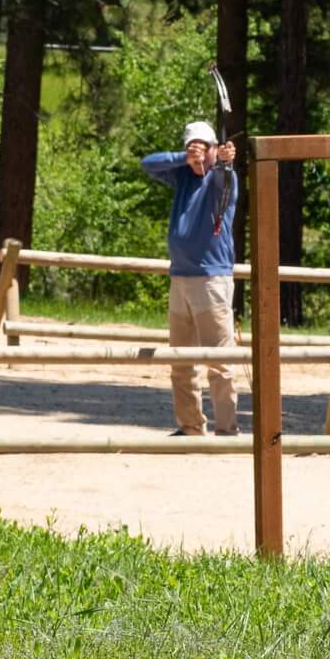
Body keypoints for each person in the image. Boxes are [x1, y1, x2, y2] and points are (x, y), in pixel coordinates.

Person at [144, 119, 239, 435]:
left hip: (211, 280)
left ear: (214, 149)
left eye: (203, 147)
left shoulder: (219, 179)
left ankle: (227, 430)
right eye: (192, 147)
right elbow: (148, 164)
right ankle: (190, 427)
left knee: (219, 361)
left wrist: (224, 162)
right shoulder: (183, 175)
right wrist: (183, 158)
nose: (198, 154)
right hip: (180, 278)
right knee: (181, 360)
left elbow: (226, 179)